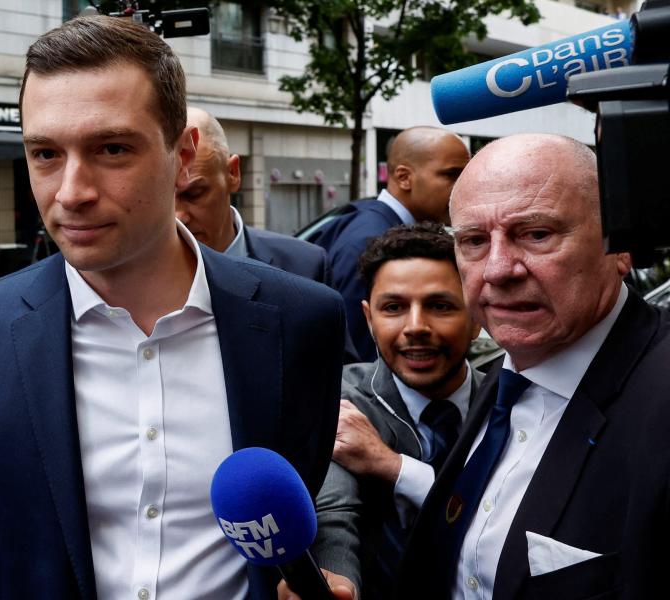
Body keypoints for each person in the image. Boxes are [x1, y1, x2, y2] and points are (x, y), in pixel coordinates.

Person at [0, 15, 346, 600]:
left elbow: (312, 508)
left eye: (112, 148)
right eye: (45, 153)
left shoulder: (302, 321)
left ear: (184, 154)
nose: (71, 192)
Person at [397, 134, 670, 599]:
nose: (499, 269)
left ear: (620, 249)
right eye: (474, 241)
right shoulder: (507, 375)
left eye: (536, 234)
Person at [278, 223, 483, 600]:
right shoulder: (339, 399)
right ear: (369, 319)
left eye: (440, 306)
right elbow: (334, 512)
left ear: (476, 317)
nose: (416, 327)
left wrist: (395, 467)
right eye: (394, 308)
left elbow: (506, 517)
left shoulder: (508, 402)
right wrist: (337, 583)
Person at [312, 127, 469, 362]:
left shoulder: (366, 224)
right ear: (404, 177)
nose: (462, 186)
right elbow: (359, 358)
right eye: (452, 174)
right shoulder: (369, 241)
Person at [178, 107, 331, 284]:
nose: (178, 216)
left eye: (194, 193)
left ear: (233, 173)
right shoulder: (140, 276)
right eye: (165, 198)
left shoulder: (305, 267)